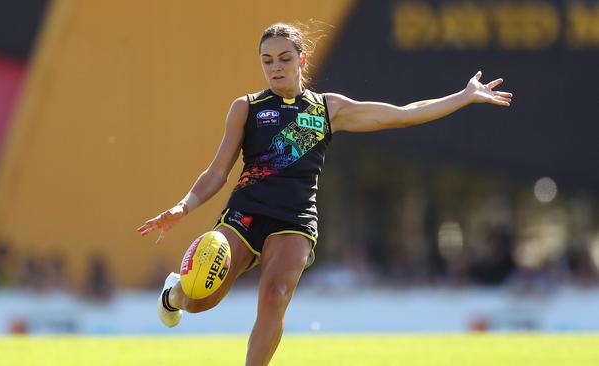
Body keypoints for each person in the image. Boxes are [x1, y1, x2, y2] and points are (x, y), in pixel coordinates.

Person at [137, 22, 512, 365]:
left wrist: (462, 97)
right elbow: (217, 170)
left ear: (303, 59)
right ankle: (175, 295)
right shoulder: (247, 108)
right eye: (267, 60)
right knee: (202, 299)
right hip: (245, 214)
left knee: (275, 296)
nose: (275, 67)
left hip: (295, 221)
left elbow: (403, 113)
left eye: (284, 58)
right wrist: (182, 207)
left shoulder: (328, 109)